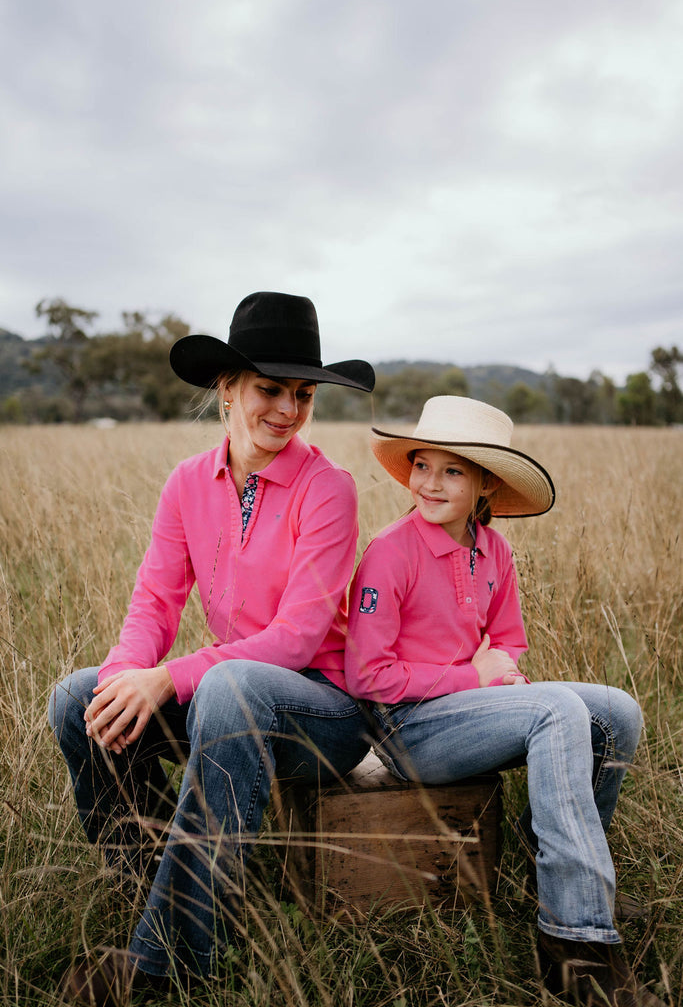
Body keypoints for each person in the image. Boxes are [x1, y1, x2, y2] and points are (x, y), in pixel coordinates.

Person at [49, 291, 375, 1005]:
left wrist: (170, 678)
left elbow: (294, 641)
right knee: (77, 699)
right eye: (269, 390)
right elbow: (153, 605)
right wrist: (121, 681)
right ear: (225, 389)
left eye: (302, 393)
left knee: (229, 689)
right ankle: (152, 883)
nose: (287, 409)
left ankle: (166, 963)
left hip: (322, 713)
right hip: (232, 699)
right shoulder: (188, 484)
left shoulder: (329, 490)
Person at [344, 396, 665, 1007]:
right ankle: (579, 948)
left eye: (453, 470)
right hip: (406, 730)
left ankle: (554, 868)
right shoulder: (392, 552)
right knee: (557, 712)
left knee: (617, 711)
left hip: (466, 711)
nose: (429, 483)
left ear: (485, 482)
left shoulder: (495, 552)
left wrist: (505, 673)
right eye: (422, 465)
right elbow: (366, 676)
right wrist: (474, 677)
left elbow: (509, 638)